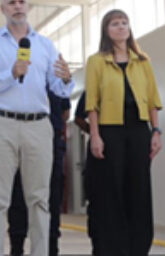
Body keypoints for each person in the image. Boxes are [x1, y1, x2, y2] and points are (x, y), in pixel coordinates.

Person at [0, 0, 72, 256]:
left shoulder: (44, 45)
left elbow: (58, 89)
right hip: (1, 124)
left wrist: (65, 79)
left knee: (40, 199)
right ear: (3, 9)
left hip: (39, 126)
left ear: (28, 7)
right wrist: (11, 73)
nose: (17, 6)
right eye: (11, 3)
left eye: (22, 2)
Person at [85, 9, 164, 256]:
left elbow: (153, 99)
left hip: (139, 130)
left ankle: (138, 248)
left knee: (139, 189)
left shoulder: (143, 61)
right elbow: (92, 103)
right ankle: (111, 248)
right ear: (106, 30)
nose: (121, 27)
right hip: (110, 132)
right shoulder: (97, 61)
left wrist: (156, 131)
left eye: (124, 23)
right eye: (115, 24)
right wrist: (95, 136)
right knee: (111, 191)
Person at [7, 88, 70, 256]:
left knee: (51, 197)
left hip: (52, 141)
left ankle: (51, 247)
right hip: (24, 138)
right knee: (19, 195)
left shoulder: (56, 81)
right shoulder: (26, 79)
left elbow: (66, 112)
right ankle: (17, 247)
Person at [72, 93, 98, 256]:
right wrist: (94, 133)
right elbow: (78, 118)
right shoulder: (91, 89)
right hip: (97, 152)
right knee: (96, 202)